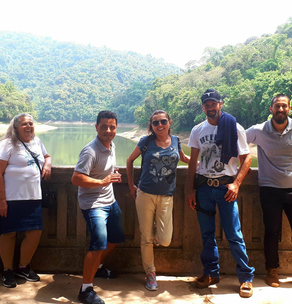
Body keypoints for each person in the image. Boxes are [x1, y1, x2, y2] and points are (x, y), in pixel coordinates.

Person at [245, 94, 292, 292]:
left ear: (289, 108)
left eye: (284, 106)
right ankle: (272, 270)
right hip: (269, 189)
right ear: (271, 108)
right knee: (271, 232)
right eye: (277, 106)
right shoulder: (259, 130)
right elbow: (238, 141)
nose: (280, 110)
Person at [185, 89, 255, 298]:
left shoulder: (234, 127)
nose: (210, 107)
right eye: (206, 104)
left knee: (234, 234)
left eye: (213, 103)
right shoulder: (197, 130)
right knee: (207, 234)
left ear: (221, 104)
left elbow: (247, 158)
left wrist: (237, 184)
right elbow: (192, 162)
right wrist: (190, 190)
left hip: (226, 188)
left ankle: (245, 278)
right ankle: (210, 273)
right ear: (203, 107)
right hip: (204, 188)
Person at [126, 110, 190, 291]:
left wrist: (200, 165)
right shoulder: (145, 142)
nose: (160, 125)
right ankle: (150, 273)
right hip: (145, 194)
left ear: (169, 122)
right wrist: (131, 186)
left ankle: (154, 231)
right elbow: (130, 160)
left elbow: (183, 158)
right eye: (155, 123)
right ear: (151, 126)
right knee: (146, 238)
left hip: (167, 196)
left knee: (165, 239)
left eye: (163, 121)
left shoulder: (177, 141)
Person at [72, 110, 125, 304]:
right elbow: (76, 178)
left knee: (116, 238)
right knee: (98, 242)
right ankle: (85, 289)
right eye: (104, 126)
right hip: (93, 205)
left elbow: (107, 170)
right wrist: (102, 181)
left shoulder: (112, 146)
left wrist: (112, 173)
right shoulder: (90, 151)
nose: (108, 130)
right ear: (96, 127)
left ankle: (98, 266)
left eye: (112, 127)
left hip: (110, 201)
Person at [0, 113, 52, 288]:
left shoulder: (37, 141)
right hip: (12, 198)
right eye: (24, 124)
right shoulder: (7, 144)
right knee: (9, 234)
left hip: (33, 197)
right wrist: (1, 201)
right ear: (16, 127)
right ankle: (7, 270)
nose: (29, 127)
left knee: (35, 233)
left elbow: (46, 156)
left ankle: (23, 266)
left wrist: (47, 164)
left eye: (31, 124)